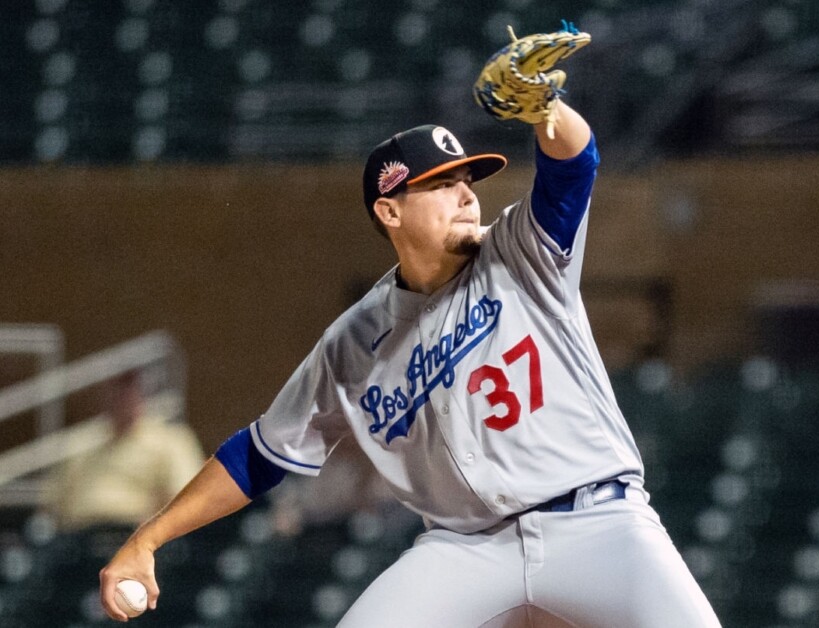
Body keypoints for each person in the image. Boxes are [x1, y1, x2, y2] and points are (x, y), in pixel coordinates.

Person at [100, 25, 721, 627]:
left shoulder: (521, 251)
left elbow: (574, 166)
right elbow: (260, 456)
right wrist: (148, 538)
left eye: (467, 181)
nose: (466, 194)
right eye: (441, 184)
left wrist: (547, 110)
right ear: (389, 209)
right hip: (467, 550)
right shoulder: (351, 343)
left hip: (597, 524)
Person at [46, 369, 206, 533]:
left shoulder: (171, 440)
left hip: (141, 536)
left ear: (143, 393)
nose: (121, 397)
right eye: (116, 388)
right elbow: (53, 502)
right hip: (82, 537)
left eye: (129, 388)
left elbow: (187, 498)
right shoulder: (80, 441)